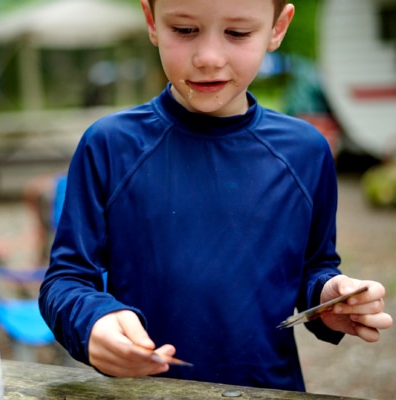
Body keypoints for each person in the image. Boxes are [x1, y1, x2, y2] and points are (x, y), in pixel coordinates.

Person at [39, 0, 392, 392]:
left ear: (277, 28)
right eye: (185, 30)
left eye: (238, 33)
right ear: (152, 22)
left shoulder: (306, 151)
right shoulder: (109, 145)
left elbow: (314, 267)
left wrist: (330, 298)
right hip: (144, 391)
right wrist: (93, 321)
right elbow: (66, 281)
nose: (208, 57)